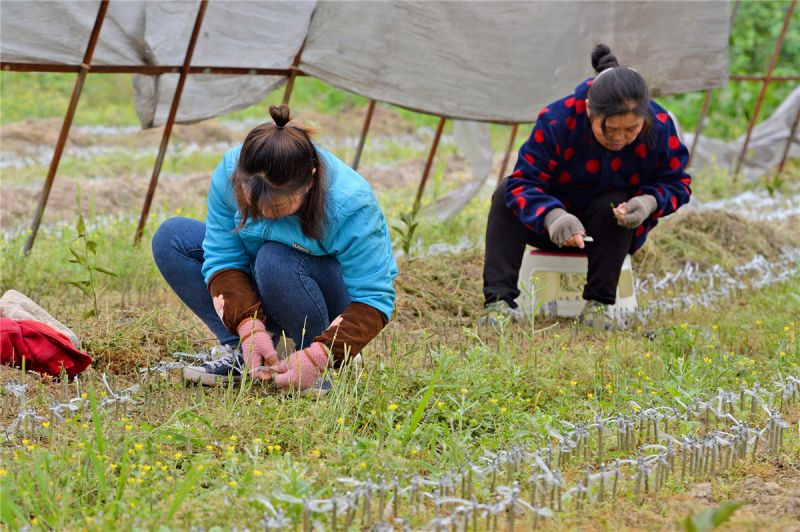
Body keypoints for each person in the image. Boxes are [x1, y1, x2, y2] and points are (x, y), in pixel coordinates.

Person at [152, 104, 397, 392]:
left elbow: (374, 298)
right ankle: (247, 354)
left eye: (278, 206)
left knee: (274, 258)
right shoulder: (231, 170)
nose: (265, 213)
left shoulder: (351, 203)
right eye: (254, 205)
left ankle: (313, 361)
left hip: (318, 291)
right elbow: (223, 257)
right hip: (262, 278)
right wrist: (248, 327)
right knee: (172, 238)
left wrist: (321, 355)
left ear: (310, 180)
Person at [482, 44, 691, 329]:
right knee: (505, 192)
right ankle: (498, 303)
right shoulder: (557, 120)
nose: (620, 138)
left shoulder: (660, 125)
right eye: (610, 129)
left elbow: (677, 182)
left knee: (616, 199)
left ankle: (598, 307)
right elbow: (523, 182)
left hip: (611, 234)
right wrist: (553, 217)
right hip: (548, 226)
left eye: (631, 130)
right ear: (589, 111)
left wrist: (646, 203)